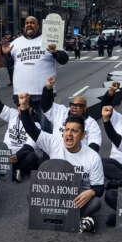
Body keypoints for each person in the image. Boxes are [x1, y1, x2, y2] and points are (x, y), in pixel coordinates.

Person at [19, 93, 104, 232]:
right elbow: (31, 129)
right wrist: (23, 107)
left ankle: (60, 216)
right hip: (55, 195)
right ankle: (76, 219)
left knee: (96, 203)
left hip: (77, 199)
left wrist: (91, 192)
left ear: (82, 135)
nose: (69, 134)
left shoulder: (93, 156)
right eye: (67, 130)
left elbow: (100, 188)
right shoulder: (54, 142)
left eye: (74, 131)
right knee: (32, 193)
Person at [1, 16, 69, 131]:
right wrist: (6, 55)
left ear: (38, 26)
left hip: (43, 94)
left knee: (45, 129)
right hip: (21, 95)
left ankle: (46, 149)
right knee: (25, 128)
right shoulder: (15, 43)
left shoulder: (49, 40)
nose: (29, 25)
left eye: (32, 23)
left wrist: (55, 52)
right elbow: (8, 65)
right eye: (27, 23)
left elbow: (64, 60)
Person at [0, 81, 39, 181]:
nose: (20, 109)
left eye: (24, 106)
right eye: (19, 106)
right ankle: (10, 170)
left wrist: (16, 156)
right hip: (6, 153)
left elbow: (29, 146)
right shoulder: (13, 114)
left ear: (31, 109)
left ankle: (17, 170)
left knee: (32, 157)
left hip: (21, 155)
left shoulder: (36, 125)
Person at [41, 76, 102, 152]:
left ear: (85, 108)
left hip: (76, 157)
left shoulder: (91, 123)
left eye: (79, 106)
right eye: (73, 105)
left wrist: (85, 157)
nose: (75, 107)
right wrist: (48, 88)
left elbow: (94, 144)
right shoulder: (61, 111)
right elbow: (46, 106)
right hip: (56, 153)